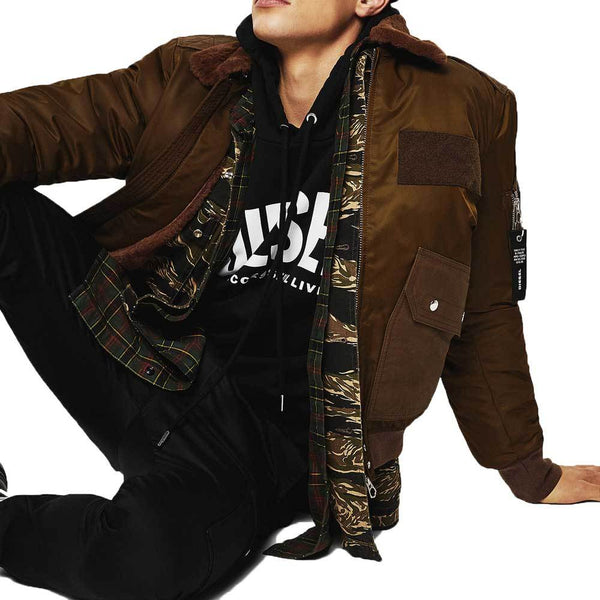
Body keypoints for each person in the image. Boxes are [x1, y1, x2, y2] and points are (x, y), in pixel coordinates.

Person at [1, 0, 599, 597]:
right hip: (148, 359)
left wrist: (528, 470)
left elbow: (483, 302)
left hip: (274, 449)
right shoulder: (194, 76)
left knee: (141, 565)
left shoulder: (458, 108)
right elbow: (38, 125)